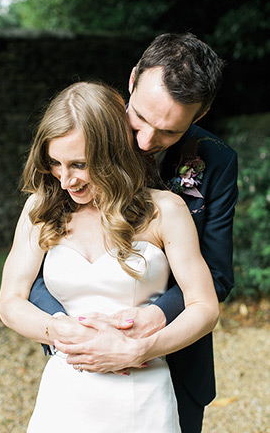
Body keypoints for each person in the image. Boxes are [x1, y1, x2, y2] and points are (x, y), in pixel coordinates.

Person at [29, 33, 238, 432]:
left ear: (202, 113)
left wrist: (151, 320)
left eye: (169, 133)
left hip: (175, 360)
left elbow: (216, 274)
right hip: (79, 355)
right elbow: (42, 251)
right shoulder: (83, 132)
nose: (145, 142)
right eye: (140, 118)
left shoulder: (215, 161)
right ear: (132, 80)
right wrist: (71, 325)